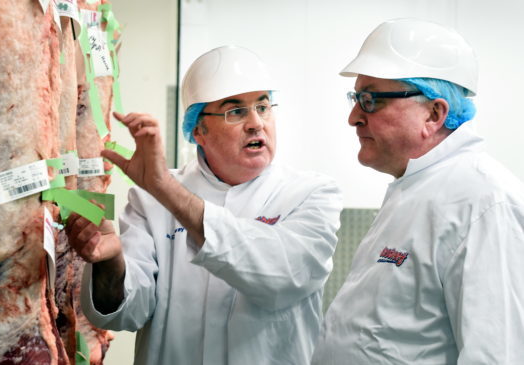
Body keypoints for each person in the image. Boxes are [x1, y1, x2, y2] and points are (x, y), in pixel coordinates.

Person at [66, 45, 343, 365]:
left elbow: (281, 277)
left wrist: (163, 187)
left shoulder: (311, 194)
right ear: (198, 130)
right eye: (235, 111)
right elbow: (125, 314)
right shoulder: (148, 199)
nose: (257, 123)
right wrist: (111, 261)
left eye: (264, 107)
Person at [312, 18, 524, 364]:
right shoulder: (413, 187)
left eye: (371, 100)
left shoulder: (483, 201)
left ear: (434, 114)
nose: (353, 117)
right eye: (356, 97)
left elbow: (497, 355)